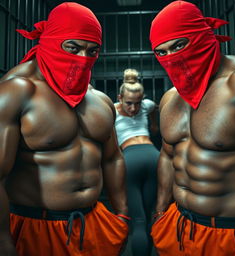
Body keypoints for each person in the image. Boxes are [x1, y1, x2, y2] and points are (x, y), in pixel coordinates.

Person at [0, 3, 129, 256]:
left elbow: (113, 158)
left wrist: (122, 215)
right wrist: (3, 241)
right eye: (73, 47)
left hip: (94, 224)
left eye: (92, 51)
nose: (82, 58)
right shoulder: (16, 91)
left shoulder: (99, 99)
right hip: (35, 228)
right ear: (50, 40)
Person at [149, 1, 235, 256]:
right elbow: (167, 156)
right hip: (178, 227)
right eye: (161, 52)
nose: (171, 57)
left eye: (178, 45)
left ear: (203, 35)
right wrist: (160, 212)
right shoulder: (169, 98)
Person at [114, 68, 160, 256]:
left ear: (143, 99)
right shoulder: (110, 109)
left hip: (138, 158)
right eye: (129, 103)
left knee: (140, 220)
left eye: (138, 103)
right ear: (119, 97)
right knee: (145, 219)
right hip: (150, 157)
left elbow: (154, 109)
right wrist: (154, 124)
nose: (134, 109)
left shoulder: (145, 105)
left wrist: (154, 123)